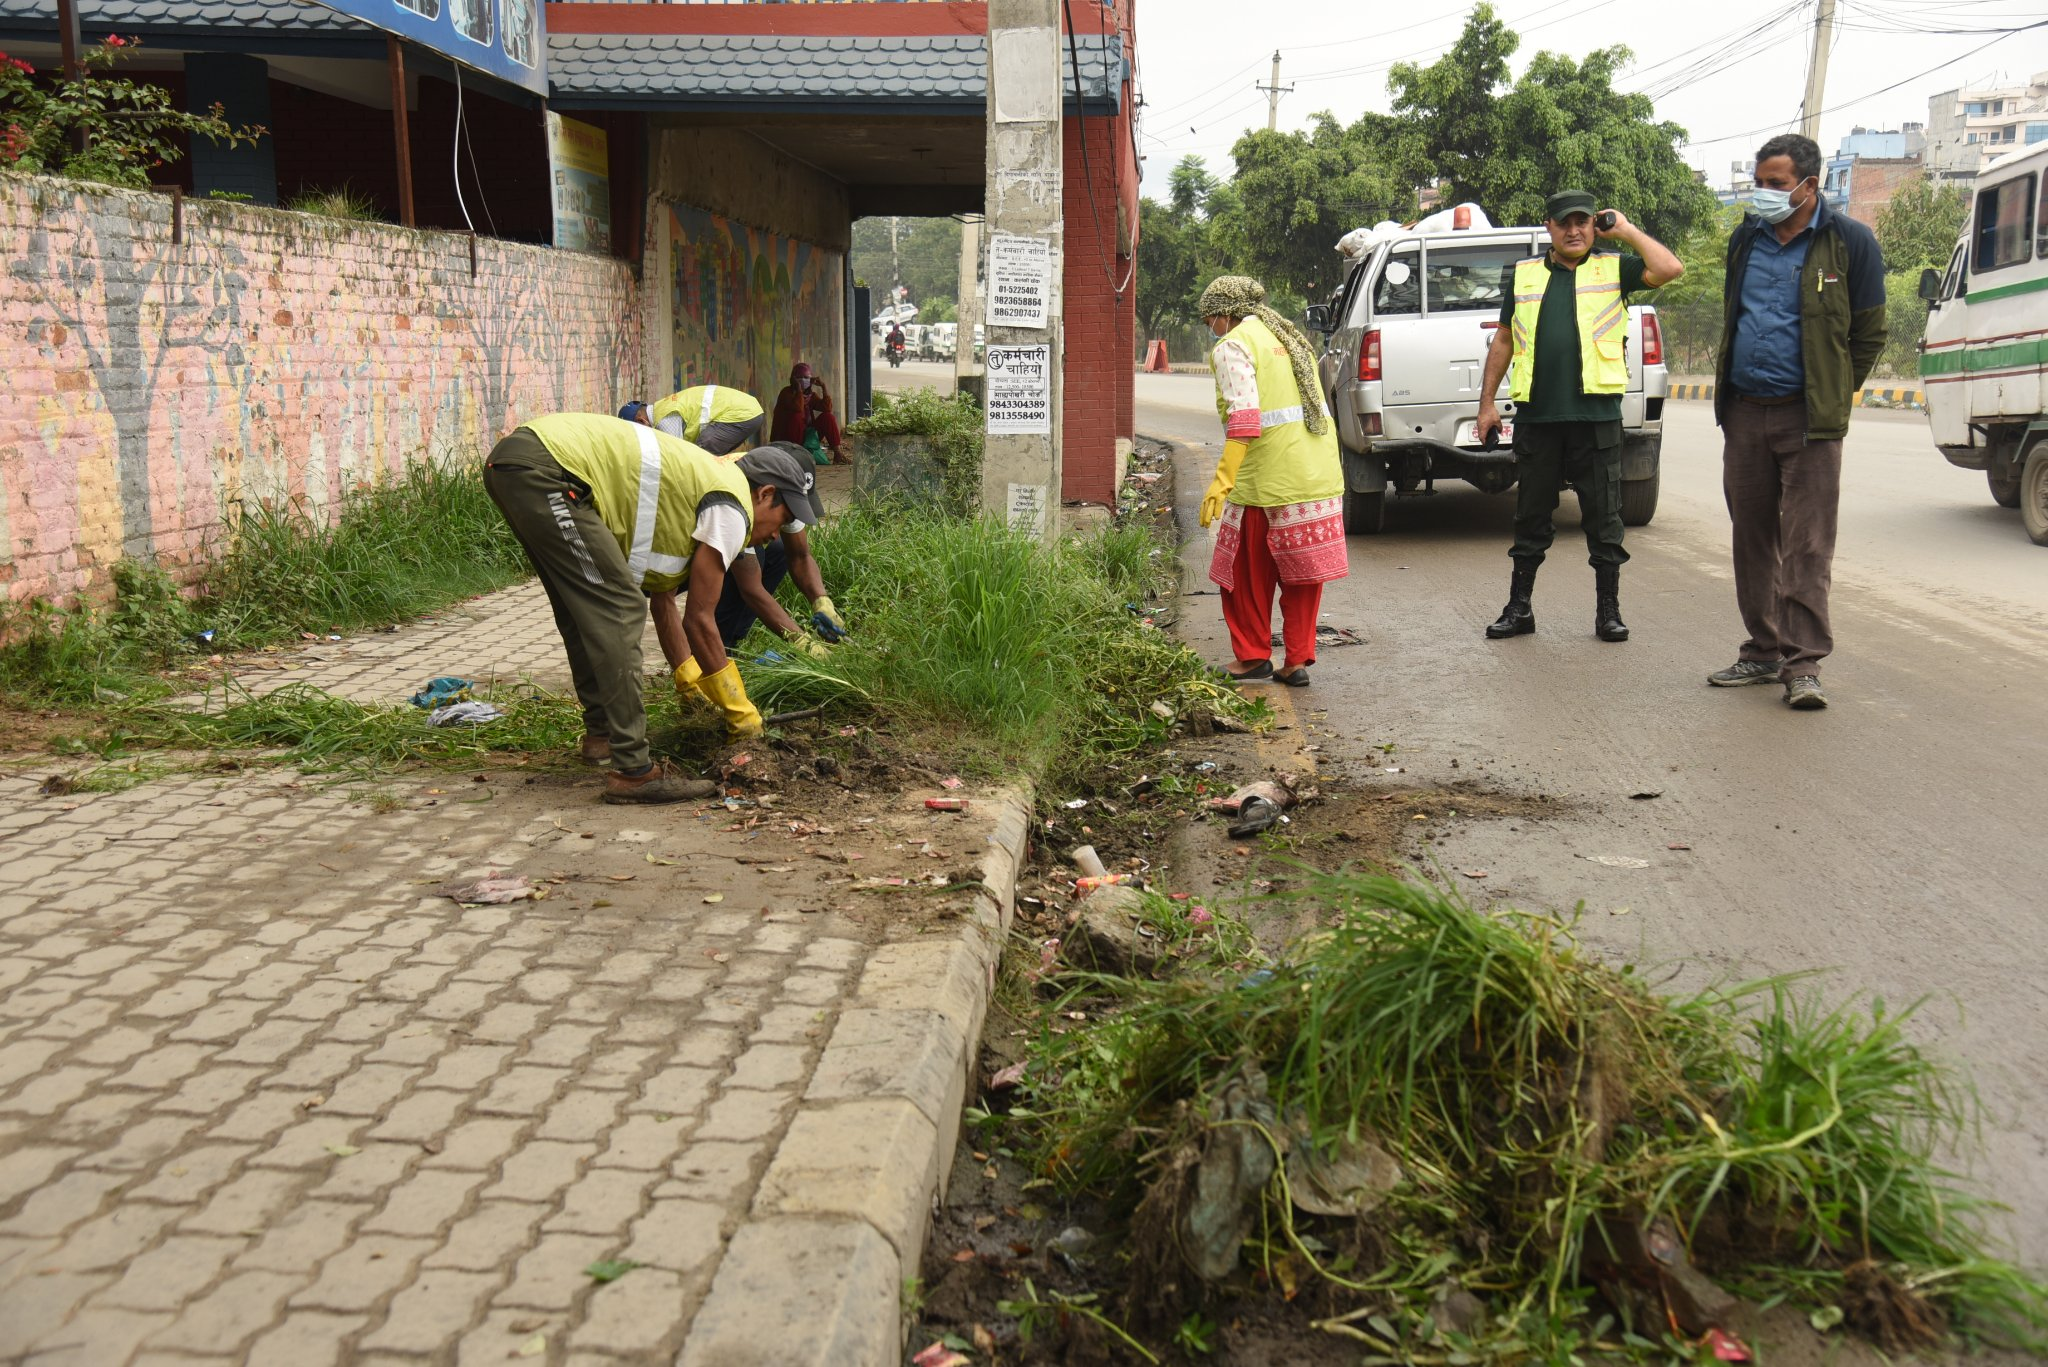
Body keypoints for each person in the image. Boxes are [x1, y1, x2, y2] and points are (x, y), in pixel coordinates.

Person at [483, 415, 820, 802]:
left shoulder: (712, 485)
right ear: (765, 494)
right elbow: (699, 620)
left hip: (522, 463)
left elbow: (672, 596)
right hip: (549, 471)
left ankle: (603, 736)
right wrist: (739, 710)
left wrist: (696, 682)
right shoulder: (731, 506)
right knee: (621, 607)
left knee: (579, 608)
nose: (778, 534)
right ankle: (634, 771)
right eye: (785, 517)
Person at [1708, 134, 1886, 710]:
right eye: (1759, 183)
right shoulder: (1746, 238)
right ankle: (1760, 652)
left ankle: (1802, 663)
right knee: (1752, 537)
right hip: (1744, 411)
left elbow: (1868, 332)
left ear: (1811, 184)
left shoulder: (1850, 242)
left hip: (1808, 419)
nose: (1763, 194)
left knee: (1808, 544)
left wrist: (1833, 391)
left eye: (1776, 185)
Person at [1477, 190, 1683, 643]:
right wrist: (1487, 403)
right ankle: (1519, 609)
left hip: (1595, 417)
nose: (1574, 231)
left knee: (1604, 519)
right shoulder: (1525, 275)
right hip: (1539, 417)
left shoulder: (1614, 267)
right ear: (1548, 226)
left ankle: (1607, 612)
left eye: (1583, 222)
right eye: (1564, 223)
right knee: (1530, 518)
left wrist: (1625, 230)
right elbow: (1505, 340)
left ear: (1595, 225)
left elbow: (1669, 269)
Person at [1195, 275, 1349, 687]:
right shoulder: (1289, 337)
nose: (1211, 327)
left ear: (1224, 314)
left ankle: (1252, 656)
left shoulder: (1234, 344)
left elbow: (1245, 419)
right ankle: (1295, 661)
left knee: (1244, 573)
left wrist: (1222, 481)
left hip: (1268, 481)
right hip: (1317, 476)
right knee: (1302, 574)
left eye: (1210, 319)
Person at [650, 440, 849, 664]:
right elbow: (751, 587)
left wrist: (821, 601)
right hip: (680, 543)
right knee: (754, 560)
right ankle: (712, 648)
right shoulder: (740, 492)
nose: (777, 532)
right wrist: (801, 641)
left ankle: (729, 640)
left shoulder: (778, 492)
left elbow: (800, 555)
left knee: (779, 549)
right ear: (768, 492)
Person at [618, 385, 765, 456]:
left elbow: (678, 456)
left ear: (642, 421)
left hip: (743, 414)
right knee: (713, 458)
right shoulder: (662, 407)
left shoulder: (663, 420)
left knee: (700, 454)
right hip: (749, 412)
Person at [772, 362, 848, 465]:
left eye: (806, 377)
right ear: (793, 379)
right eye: (799, 377)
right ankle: (797, 454)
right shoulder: (786, 393)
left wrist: (823, 387)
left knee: (828, 417)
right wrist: (799, 390)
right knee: (797, 417)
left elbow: (827, 408)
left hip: (807, 436)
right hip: (788, 438)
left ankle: (838, 453)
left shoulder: (810, 395)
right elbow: (798, 408)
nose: (803, 380)